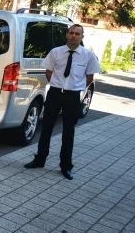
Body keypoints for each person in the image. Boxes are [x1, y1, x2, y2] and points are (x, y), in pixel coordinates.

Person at [24, 24, 100, 180]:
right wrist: (57, 84)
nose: (73, 36)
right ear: (67, 35)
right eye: (71, 33)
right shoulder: (56, 52)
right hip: (55, 94)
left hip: (72, 96)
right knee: (46, 128)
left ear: (82, 37)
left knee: (68, 132)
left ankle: (66, 166)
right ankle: (39, 160)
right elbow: (48, 71)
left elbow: (89, 77)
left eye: (77, 34)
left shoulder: (88, 55)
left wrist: (76, 88)